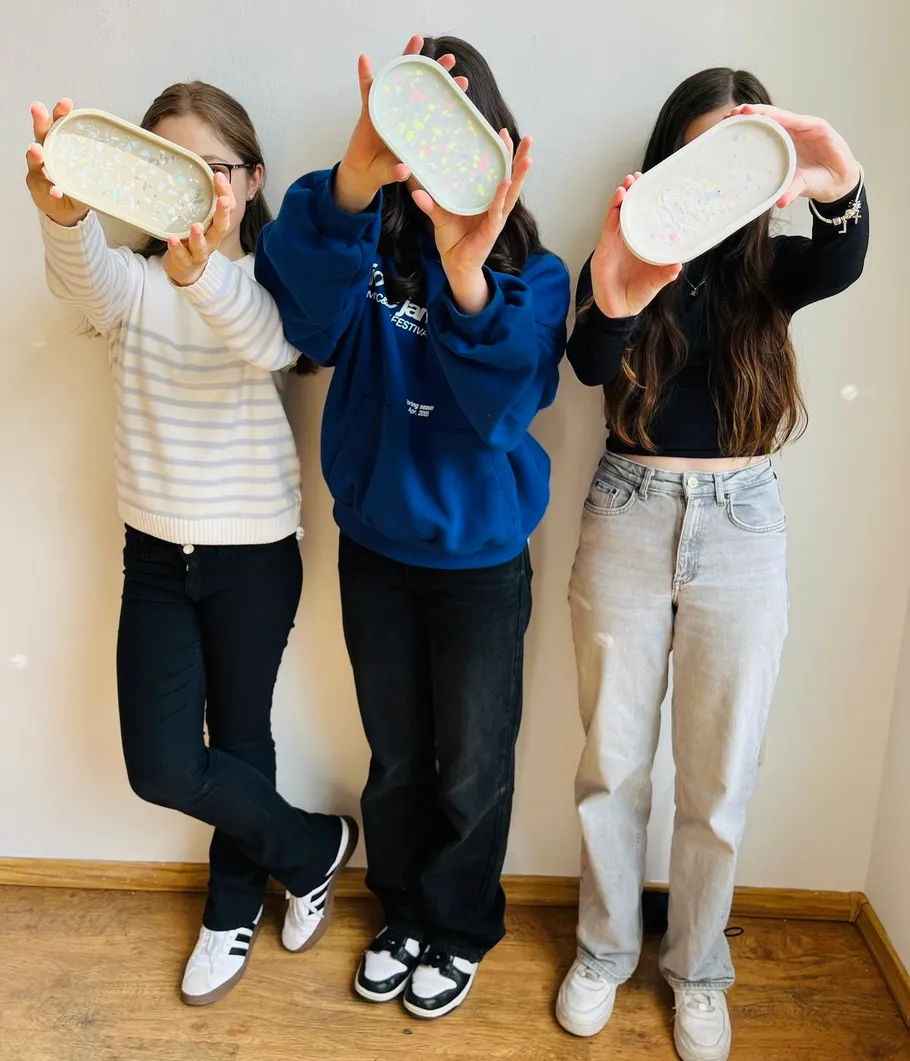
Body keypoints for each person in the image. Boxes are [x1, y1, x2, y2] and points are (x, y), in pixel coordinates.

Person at [556, 68, 868, 1060]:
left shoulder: (768, 268)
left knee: (718, 775)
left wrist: (833, 175)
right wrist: (619, 285)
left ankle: (696, 971)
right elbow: (588, 365)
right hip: (627, 509)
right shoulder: (627, 243)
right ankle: (604, 950)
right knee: (612, 764)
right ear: (667, 159)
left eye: (737, 151)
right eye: (699, 151)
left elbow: (844, 255)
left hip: (741, 520)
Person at [256, 35, 570, 1019]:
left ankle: (459, 925)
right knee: (396, 757)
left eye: (462, 121)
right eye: (423, 118)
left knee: (473, 766)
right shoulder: (358, 256)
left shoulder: (538, 276)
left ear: (497, 137)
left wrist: (466, 275)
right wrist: (353, 183)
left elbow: (508, 407)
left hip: (482, 564)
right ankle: (401, 911)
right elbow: (299, 320)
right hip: (375, 550)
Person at [27, 83, 357, 1007]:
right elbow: (83, 279)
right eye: (172, 167)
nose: (196, 187)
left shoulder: (268, 284)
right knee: (164, 765)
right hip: (155, 558)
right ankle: (313, 847)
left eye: (214, 169)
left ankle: (230, 908)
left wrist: (200, 269)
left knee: (241, 738)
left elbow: (266, 344)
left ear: (251, 181)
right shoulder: (133, 286)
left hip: (255, 553)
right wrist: (63, 215)